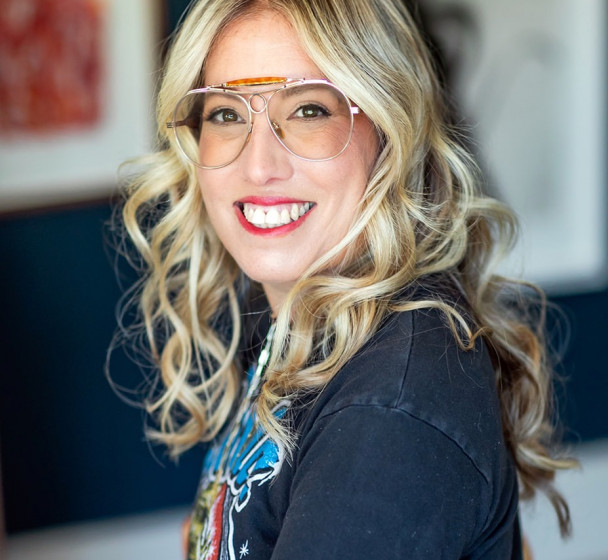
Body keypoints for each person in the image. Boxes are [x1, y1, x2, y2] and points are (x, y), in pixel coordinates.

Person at [114, 0, 575, 557]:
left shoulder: (388, 412)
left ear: (389, 128)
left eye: (308, 110)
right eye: (227, 114)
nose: (258, 165)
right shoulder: (292, 316)